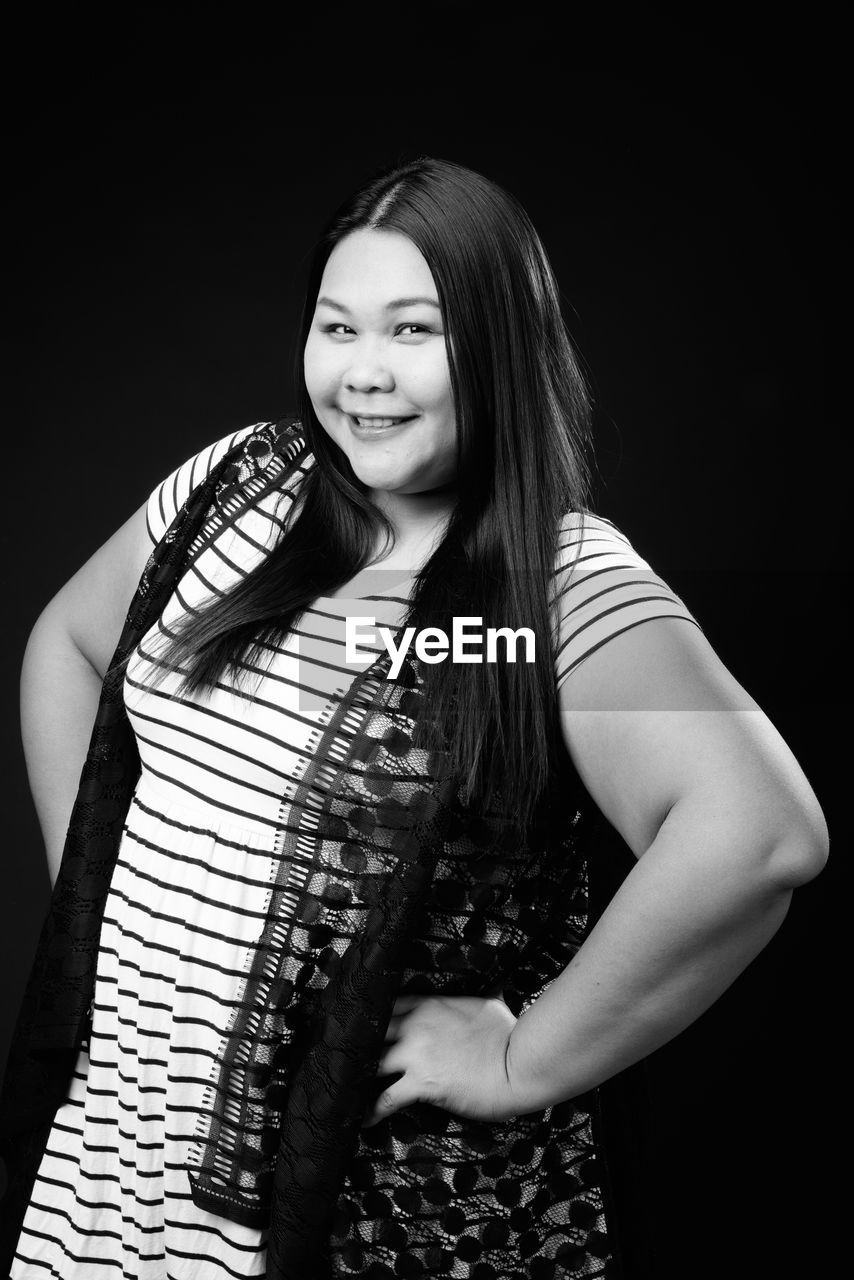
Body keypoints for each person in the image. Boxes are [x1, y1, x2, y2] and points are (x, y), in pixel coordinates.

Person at [0, 156, 828, 1279]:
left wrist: (526, 1054)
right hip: (125, 1140)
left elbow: (758, 833)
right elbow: (68, 644)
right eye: (337, 328)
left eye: (412, 331)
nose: (364, 374)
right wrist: (97, 908)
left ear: (496, 344)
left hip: (341, 1194)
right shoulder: (238, 484)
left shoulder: (555, 583)